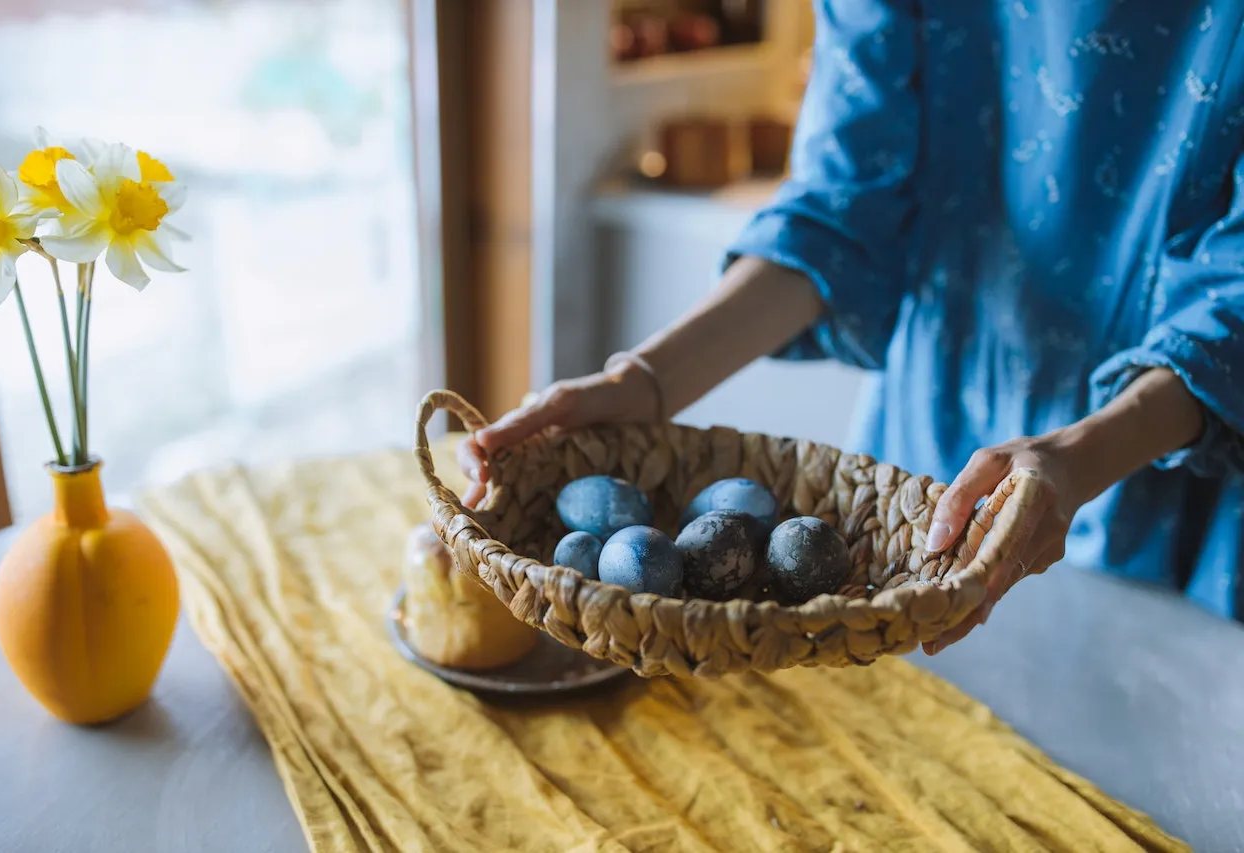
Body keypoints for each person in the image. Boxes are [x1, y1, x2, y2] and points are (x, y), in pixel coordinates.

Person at [460, 2, 1243, 652]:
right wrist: (642, 382)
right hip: (923, 481)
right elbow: (840, 212)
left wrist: (1083, 455)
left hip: (1175, 475)